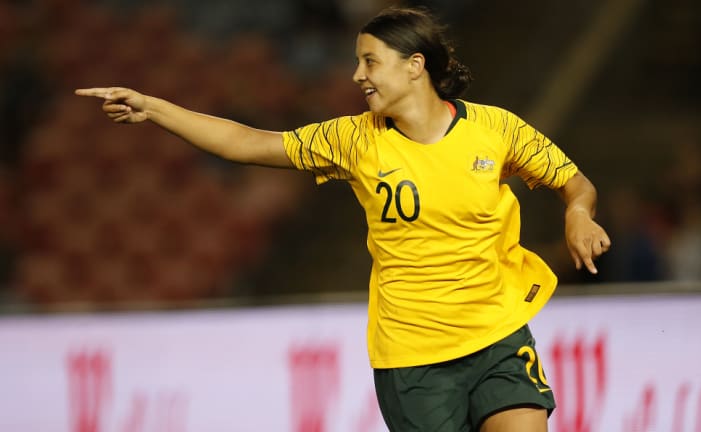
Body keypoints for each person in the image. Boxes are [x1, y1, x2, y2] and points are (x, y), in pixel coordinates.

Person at [76, 6, 610, 432]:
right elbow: (251, 143)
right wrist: (155, 109)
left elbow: (574, 182)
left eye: (370, 61)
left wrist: (578, 215)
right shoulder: (354, 140)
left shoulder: (494, 129)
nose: (357, 75)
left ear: (414, 65)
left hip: (497, 335)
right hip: (413, 357)